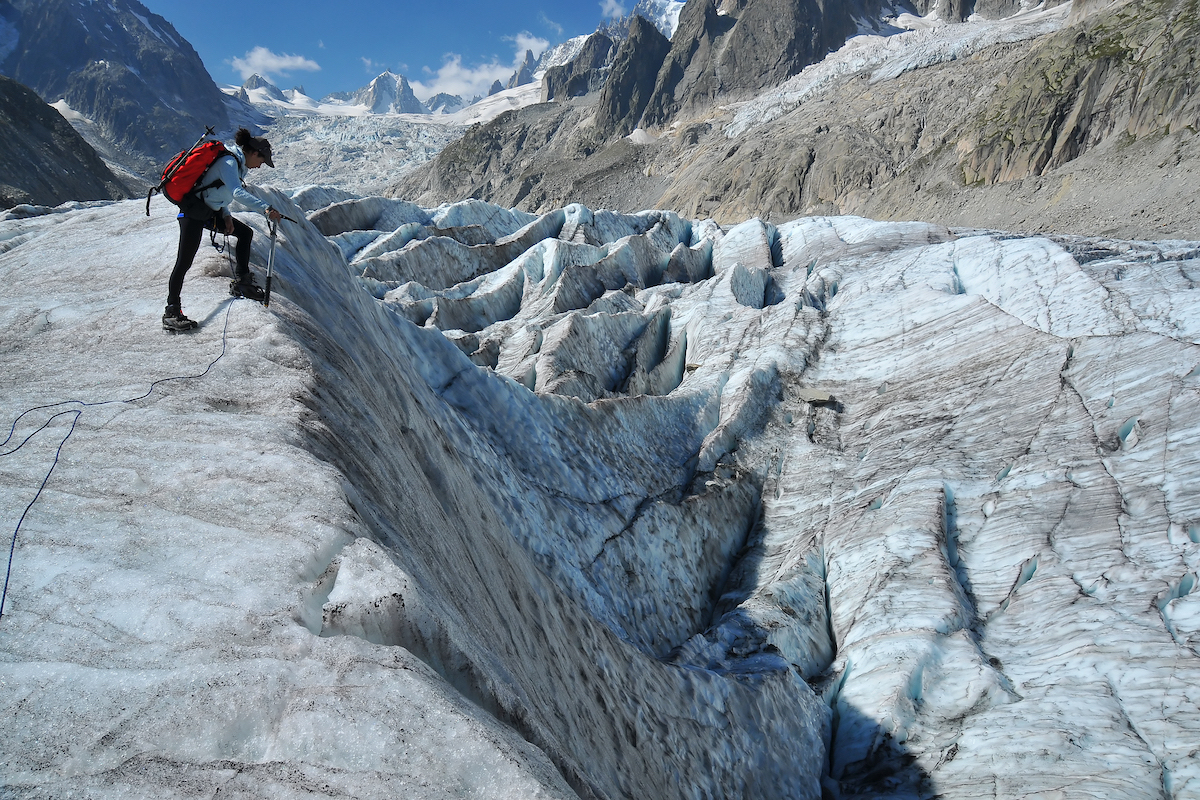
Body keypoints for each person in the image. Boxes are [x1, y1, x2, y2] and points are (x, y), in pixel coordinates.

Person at [163, 128, 284, 331]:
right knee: (184, 262)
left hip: (209, 212)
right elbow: (236, 192)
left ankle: (242, 283)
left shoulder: (236, 165)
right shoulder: (229, 163)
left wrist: (226, 215)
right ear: (253, 153)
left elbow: (217, 190)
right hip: (193, 212)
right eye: (262, 161)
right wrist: (266, 208)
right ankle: (171, 312)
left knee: (245, 233)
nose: (260, 166)